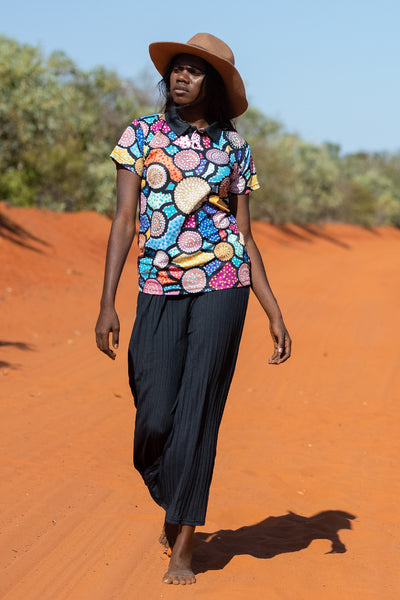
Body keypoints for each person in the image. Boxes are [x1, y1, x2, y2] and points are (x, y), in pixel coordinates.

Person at [95, 33, 291, 586]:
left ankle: (184, 540)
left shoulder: (234, 148)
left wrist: (273, 310)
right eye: (177, 69)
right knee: (156, 415)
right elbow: (123, 221)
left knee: (199, 410)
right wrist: (107, 302)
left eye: (195, 71)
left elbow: (244, 235)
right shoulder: (140, 134)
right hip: (157, 286)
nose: (181, 77)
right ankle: (173, 493)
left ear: (215, 85)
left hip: (224, 284)